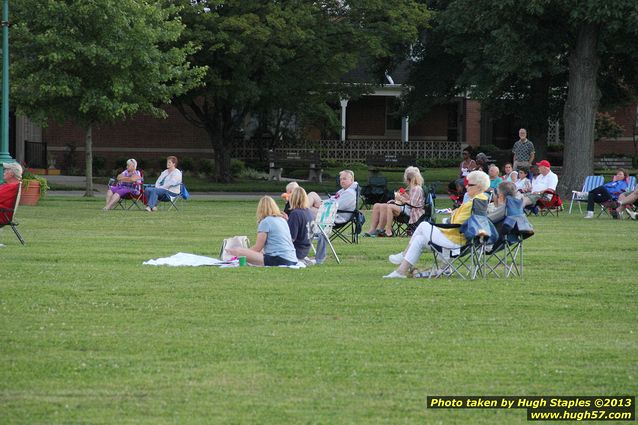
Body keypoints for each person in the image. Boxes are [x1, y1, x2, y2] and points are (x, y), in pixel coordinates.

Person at [383, 170, 490, 278]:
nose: (466, 187)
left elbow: (457, 223)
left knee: (423, 225)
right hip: (458, 238)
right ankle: (400, 272)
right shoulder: (481, 200)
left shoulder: (473, 202)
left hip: (455, 240)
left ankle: (404, 255)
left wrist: (452, 216)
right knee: (419, 239)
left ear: (479, 187)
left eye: (469, 185)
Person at [226, 196, 298, 266]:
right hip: (292, 258)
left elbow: (257, 248)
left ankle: (228, 254)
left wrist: (243, 252)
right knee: (258, 252)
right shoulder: (282, 220)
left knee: (240, 251)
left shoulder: (266, 221)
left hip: (279, 259)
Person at [365, 166, 425, 237]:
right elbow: (410, 200)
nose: (405, 180)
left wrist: (401, 198)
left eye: (405, 178)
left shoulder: (416, 189)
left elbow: (412, 204)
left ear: (409, 179)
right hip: (405, 207)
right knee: (377, 205)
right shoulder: (411, 188)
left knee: (388, 206)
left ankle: (387, 230)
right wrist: (399, 198)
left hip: (411, 211)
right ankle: (374, 230)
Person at [314, 170, 359, 264]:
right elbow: (332, 200)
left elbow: (336, 205)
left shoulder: (350, 193)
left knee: (307, 211)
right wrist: (322, 202)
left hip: (336, 217)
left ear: (351, 180)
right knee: (312, 197)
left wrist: (321, 204)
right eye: (340, 179)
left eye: (344, 179)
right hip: (330, 213)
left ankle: (296, 211)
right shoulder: (342, 191)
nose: (342, 181)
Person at [286, 187, 315, 263]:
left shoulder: (295, 214)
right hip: (305, 250)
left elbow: (291, 237)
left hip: (295, 251)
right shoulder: (309, 212)